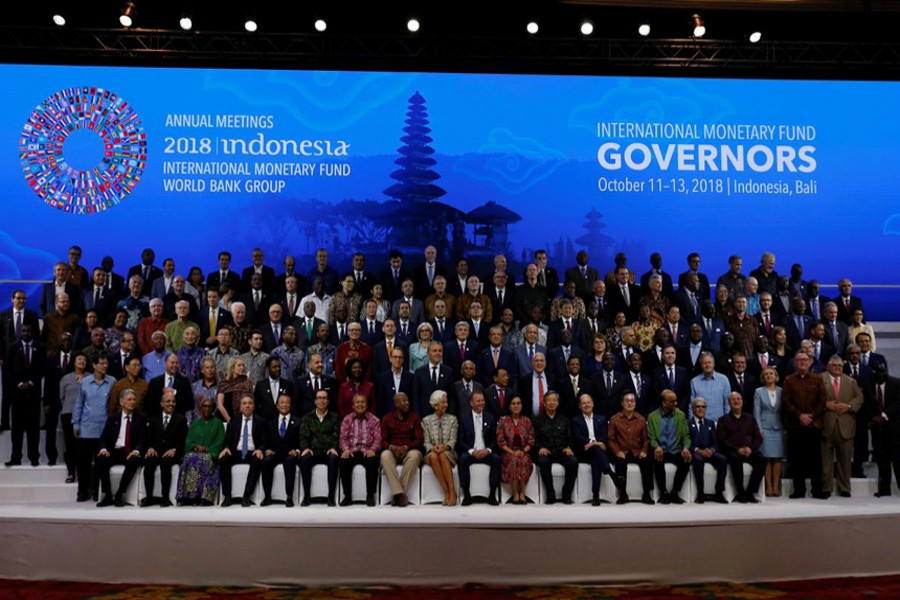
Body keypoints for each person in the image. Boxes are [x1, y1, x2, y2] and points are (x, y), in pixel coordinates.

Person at [782, 350, 828, 499]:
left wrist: (812, 417)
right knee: (796, 460)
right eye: (799, 360)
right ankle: (799, 490)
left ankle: (817, 490)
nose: (802, 362)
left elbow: (822, 401)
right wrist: (799, 415)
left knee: (816, 459)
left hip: (814, 425)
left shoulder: (818, 379)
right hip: (796, 425)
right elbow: (786, 401)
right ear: (795, 363)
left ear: (810, 362)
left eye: (805, 360)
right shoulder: (789, 380)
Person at [72, 353, 115, 502]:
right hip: (86, 427)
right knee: (83, 463)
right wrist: (75, 423)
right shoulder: (84, 382)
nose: (105, 366)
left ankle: (98, 491)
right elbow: (79, 404)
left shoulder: (112, 382)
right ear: (94, 365)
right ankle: (82, 491)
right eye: (102, 363)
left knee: (101, 464)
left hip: (103, 429)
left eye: (106, 363)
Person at [821, 355, 863, 497]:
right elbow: (813, 399)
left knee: (845, 460)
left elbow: (860, 398)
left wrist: (849, 406)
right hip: (826, 425)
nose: (838, 368)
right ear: (828, 367)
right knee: (825, 461)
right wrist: (826, 405)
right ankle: (826, 488)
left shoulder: (850, 381)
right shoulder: (820, 379)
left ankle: (844, 488)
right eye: (835, 366)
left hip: (846, 426)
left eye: (840, 366)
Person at [95, 389, 146, 507]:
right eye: (129, 400)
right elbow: (102, 438)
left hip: (130, 451)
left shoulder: (141, 418)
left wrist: (136, 450)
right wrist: (103, 449)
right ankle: (107, 495)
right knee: (101, 459)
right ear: (121, 402)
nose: (132, 402)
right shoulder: (113, 418)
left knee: (134, 460)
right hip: (114, 451)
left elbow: (143, 439)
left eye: (134, 400)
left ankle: (119, 494)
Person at [4, 323, 45, 467]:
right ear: (20, 332)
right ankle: (16, 457)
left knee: (34, 428)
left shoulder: (40, 347)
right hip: (17, 394)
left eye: (29, 330)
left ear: (33, 332)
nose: (26, 333)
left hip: (33, 394)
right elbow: (8, 370)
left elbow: (42, 369)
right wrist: (19, 383)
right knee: (17, 429)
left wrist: (32, 383)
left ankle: (34, 457)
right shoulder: (13, 348)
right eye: (24, 331)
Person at [571, 393, 622, 506]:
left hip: (598, 450)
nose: (586, 405)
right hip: (583, 451)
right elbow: (578, 436)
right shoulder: (575, 420)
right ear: (579, 406)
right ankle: (610, 473)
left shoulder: (601, 418)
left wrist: (596, 443)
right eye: (583, 403)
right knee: (596, 450)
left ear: (593, 404)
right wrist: (592, 443)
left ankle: (596, 495)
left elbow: (604, 436)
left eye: (588, 402)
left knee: (596, 458)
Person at [141, 389, 188, 507]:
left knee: (166, 462)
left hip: (173, 451)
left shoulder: (181, 419)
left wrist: (175, 449)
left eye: (173, 401)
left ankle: (165, 497)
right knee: (149, 461)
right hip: (156, 450)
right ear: (161, 404)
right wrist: (150, 448)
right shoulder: (153, 419)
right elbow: (148, 438)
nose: (171, 404)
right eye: (168, 401)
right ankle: (149, 497)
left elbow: (183, 440)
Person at [717, 391, 766, 503]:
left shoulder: (750, 418)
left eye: (738, 399)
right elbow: (721, 440)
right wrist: (737, 449)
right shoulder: (723, 420)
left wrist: (751, 449)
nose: (736, 401)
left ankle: (750, 492)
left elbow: (758, 438)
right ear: (729, 403)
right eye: (733, 400)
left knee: (762, 460)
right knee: (735, 460)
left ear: (742, 402)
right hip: (733, 451)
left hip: (749, 450)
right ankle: (741, 492)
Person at [175, 397, 225, 506]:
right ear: (200, 408)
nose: (207, 409)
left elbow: (220, 442)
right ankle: (186, 497)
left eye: (209, 406)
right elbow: (187, 442)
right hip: (194, 452)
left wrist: (207, 450)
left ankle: (203, 497)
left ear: (213, 409)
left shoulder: (218, 424)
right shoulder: (194, 424)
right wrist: (196, 446)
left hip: (210, 454)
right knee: (189, 459)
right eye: (204, 406)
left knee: (204, 460)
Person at [219, 394, 267, 506]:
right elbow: (227, 440)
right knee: (223, 460)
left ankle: (247, 496)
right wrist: (226, 448)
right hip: (236, 451)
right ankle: (227, 496)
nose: (247, 406)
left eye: (250, 403)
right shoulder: (233, 421)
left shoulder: (261, 422)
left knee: (257, 460)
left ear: (254, 406)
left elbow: (265, 441)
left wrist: (260, 449)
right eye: (244, 403)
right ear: (240, 407)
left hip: (252, 452)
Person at [646, 389, 692, 504]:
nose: (675, 404)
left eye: (675, 401)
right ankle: (663, 492)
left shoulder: (680, 416)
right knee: (657, 459)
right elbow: (651, 437)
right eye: (672, 401)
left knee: (686, 460)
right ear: (663, 403)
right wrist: (656, 446)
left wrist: (686, 448)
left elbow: (686, 436)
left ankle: (675, 492)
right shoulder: (652, 416)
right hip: (661, 450)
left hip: (675, 450)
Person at [608, 392, 654, 504]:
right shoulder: (615, 419)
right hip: (622, 451)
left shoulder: (641, 419)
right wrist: (617, 451)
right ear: (622, 403)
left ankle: (647, 494)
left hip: (637, 451)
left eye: (632, 401)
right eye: (627, 401)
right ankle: (623, 494)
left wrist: (644, 451)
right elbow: (610, 439)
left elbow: (646, 439)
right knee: (620, 463)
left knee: (647, 462)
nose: (630, 403)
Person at [531, 391, 577, 504]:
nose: (552, 402)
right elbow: (533, 439)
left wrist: (569, 447)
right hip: (546, 451)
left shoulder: (565, 420)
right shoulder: (537, 420)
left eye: (554, 400)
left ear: (558, 403)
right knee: (543, 462)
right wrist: (540, 448)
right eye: (549, 400)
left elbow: (570, 437)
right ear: (544, 403)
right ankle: (550, 495)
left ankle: (566, 495)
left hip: (562, 450)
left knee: (573, 461)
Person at [380, 392, 424, 507]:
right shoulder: (387, 418)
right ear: (396, 404)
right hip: (392, 450)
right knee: (384, 455)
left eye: (407, 401)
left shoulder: (414, 417)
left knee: (415, 455)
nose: (407, 403)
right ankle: (400, 493)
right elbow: (382, 440)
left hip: (409, 450)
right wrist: (391, 447)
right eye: (403, 401)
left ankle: (397, 494)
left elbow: (419, 439)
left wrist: (407, 447)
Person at [298, 389, 341, 506]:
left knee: (333, 458)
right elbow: (303, 436)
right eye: (319, 398)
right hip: (313, 451)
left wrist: (334, 447)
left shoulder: (335, 417)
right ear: (315, 401)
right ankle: (306, 495)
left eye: (324, 398)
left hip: (328, 452)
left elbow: (337, 436)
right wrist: (305, 447)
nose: (322, 400)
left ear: (328, 401)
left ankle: (331, 496)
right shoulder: (307, 417)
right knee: (304, 459)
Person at [339, 393, 381, 507]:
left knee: (373, 461)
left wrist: (373, 449)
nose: (360, 404)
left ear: (367, 405)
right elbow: (343, 437)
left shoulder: (374, 420)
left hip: (367, 451)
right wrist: (346, 449)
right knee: (343, 461)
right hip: (352, 451)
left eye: (363, 402)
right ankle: (347, 497)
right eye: (357, 402)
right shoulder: (347, 420)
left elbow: (378, 438)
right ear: (353, 406)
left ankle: (370, 496)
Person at [422, 390, 459, 506]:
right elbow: (426, 441)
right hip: (432, 452)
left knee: (443, 455)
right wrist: (433, 448)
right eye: (443, 403)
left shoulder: (452, 419)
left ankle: (452, 491)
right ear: (436, 405)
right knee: (433, 456)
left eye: (446, 402)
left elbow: (453, 439)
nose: (446, 405)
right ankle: (447, 491)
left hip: (448, 452)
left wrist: (445, 447)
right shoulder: (426, 421)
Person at [688, 397, 728, 503]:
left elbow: (715, 442)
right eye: (698, 407)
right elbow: (687, 442)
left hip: (709, 452)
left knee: (722, 459)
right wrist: (698, 450)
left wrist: (712, 450)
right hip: (695, 453)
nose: (701, 409)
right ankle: (700, 492)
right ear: (693, 409)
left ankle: (719, 492)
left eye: (703, 407)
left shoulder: (710, 423)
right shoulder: (688, 423)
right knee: (698, 460)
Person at [497, 395, 535, 505]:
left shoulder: (527, 421)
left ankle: (522, 493)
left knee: (523, 460)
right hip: (508, 451)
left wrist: (523, 452)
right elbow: (501, 441)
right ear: (509, 406)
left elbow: (531, 441)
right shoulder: (503, 420)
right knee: (514, 460)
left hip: (524, 451)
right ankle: (515, 493)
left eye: (518, 403)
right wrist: (513, 452)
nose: (516, 406)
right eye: (513, 404)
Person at [753, 367, 784, 497]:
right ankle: (768, 487)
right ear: (763, 377)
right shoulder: (759, 392)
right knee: (766, 459)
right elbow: (756, 411)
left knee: (777, 459)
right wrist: (759, 429)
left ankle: (776, 487)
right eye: (766, 374)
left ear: (776, 376)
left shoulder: (782, 391)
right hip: (765, 429)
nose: (769, 376)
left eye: (771, 373)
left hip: (779, 428)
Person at [59, 351, 88, 483]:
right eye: (79, 359)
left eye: (84, 360)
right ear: (74, 362)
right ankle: (71, 472)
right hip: (68, 414)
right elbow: (61, 397)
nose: (82, 362)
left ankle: (83, 473)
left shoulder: (90, 377)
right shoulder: (65, 378)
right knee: (70, 445)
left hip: (85, 416)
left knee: (82, 445)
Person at [216, 356, 253, 422]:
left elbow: (250, 402)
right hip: (226, 420)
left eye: (243, 365)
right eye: (239, 365)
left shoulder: (247, 382)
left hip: (243, 420)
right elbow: (220, 405)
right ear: (232, 368)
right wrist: (229, 420)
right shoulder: (224, 383)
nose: (242, 367)